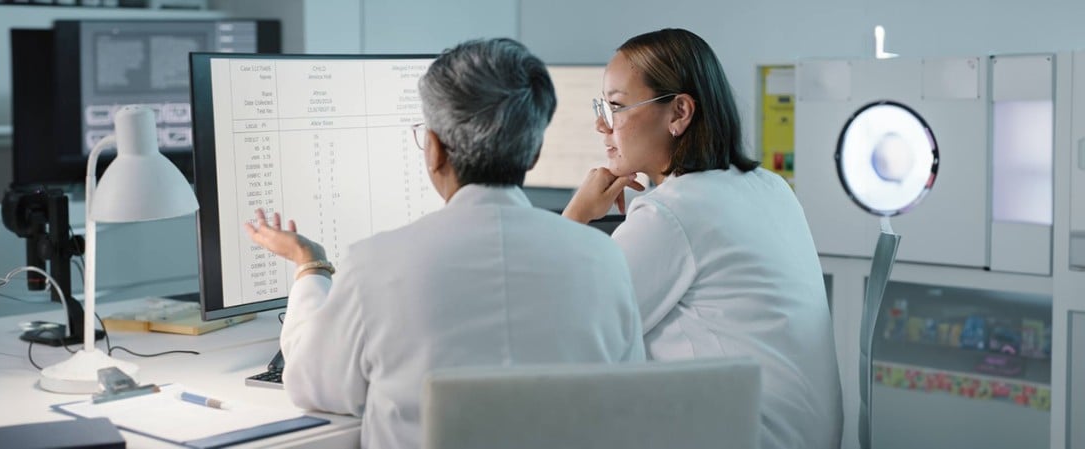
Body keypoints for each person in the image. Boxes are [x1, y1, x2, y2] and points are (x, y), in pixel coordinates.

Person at [244, 38, 645, 449]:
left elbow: (314, 385)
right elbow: (627, 396)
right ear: (534, 152)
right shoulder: (603, 259)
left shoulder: (377, 264)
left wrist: (310, 266)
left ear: (433, 149)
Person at [561, 28, 843, 449]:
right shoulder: (769, 185)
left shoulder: (672, 213)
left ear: (679, 113)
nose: (602, 124)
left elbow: (566, 328)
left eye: (616, 106)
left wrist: (576, 215)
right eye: (602, 105)